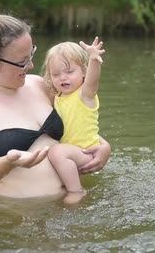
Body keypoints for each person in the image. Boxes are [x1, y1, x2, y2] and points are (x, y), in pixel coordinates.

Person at [0, 0, 111, 201]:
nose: (31, 66)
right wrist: (8, 162)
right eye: (22, 61)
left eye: (31, 55)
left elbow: (78, 119)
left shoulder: (38, 84)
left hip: (72, 209)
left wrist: (103, 147)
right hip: (17, 217)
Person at [41, 38, 105, 202]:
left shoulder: (85, 94)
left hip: (87, 153)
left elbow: (93, 80)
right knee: (56, 151)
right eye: (56, 74)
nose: (63, 78)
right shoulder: (58, 97)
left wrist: (93, 59)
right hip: (71, 154)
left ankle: (76, 192)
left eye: (69, 72)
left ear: (83, 71)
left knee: (56, 152)